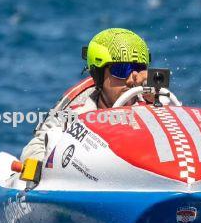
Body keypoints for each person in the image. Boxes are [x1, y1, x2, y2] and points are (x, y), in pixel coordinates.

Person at [21, 28, 151, 161]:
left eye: (139, 70)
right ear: (99, 75)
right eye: (121, 70)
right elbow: (36, 146)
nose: (131, 80)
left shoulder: (155, 98)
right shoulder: (77, 109)